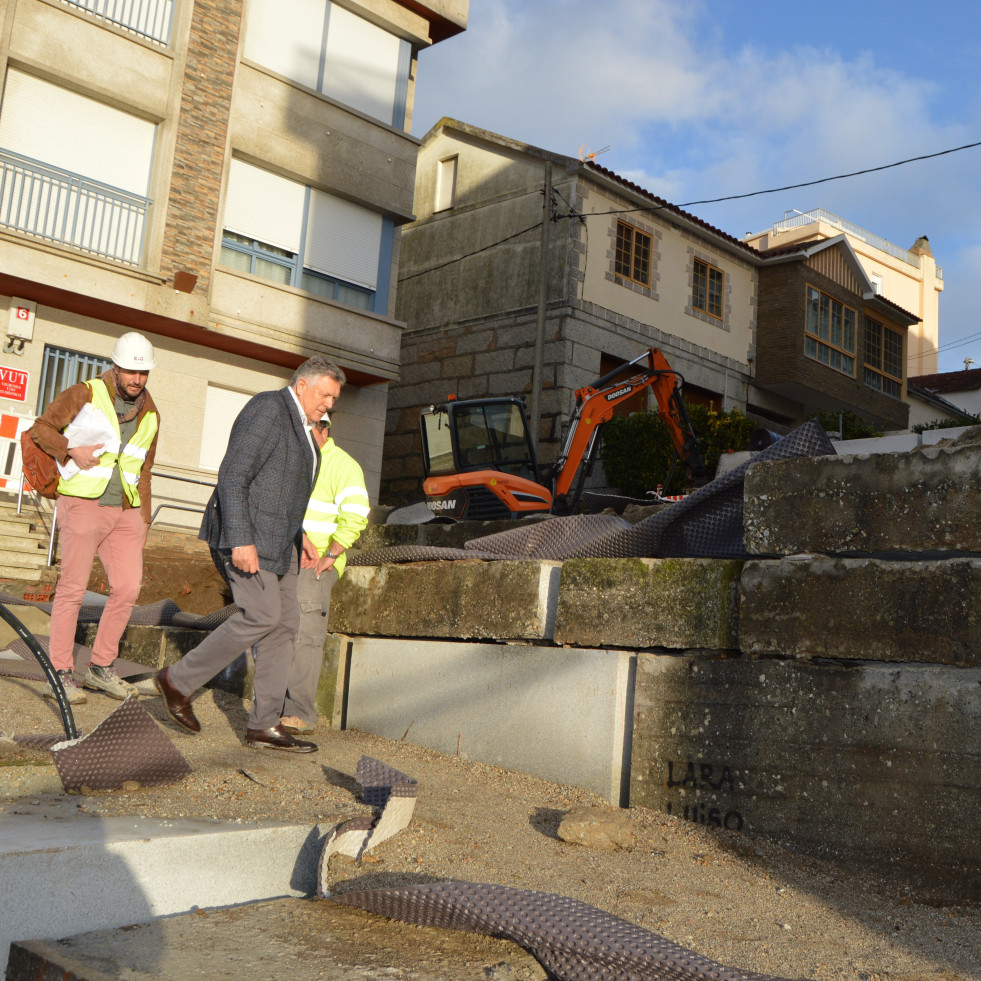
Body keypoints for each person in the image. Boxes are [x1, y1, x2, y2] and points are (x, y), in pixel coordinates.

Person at [154, 356, 345, 753]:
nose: (329, 404)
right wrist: (240, 539)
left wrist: (303, 533)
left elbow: (283, 489)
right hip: (247, 539)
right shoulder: (268, 409)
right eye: (325, 395)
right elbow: (234, 475)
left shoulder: (307, 431)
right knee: (262, 615)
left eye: (334, 398)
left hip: (283, 542)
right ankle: (177, 681)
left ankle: (263, 725)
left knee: (285, 625)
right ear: (303, 385)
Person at [31, 331, 160, 704]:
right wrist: (71, 449)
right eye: (131, 372)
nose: (137, 380)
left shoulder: (151, 413)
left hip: (127, 511)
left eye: (144, 373)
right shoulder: (85, 392)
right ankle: (60, 672)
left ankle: (101, 667)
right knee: (72, 589)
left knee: (128, 589)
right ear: (116, 367)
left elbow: (145, 469)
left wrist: (144, 520)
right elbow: (42, 428)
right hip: (83, 503)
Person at [279, 407, 370, 734]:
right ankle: (278, 707)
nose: (314, 434)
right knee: (280, 630)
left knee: (306, 634)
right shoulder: (298, 460)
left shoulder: (342, 465)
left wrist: (331, 554)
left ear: (325, 430)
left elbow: (357, 515)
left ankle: (301, 713)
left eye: (318, 429)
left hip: (317, 562)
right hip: (288, 556)